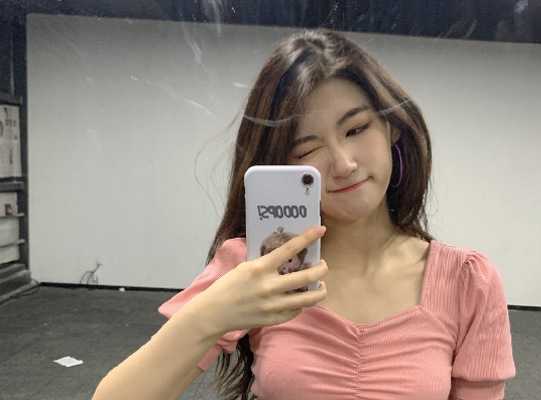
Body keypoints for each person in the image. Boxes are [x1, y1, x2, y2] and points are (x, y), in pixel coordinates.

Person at [92, 29, 515, 400]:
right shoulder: (254, 269)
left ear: (392, 127)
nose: (343, 164)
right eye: (306, 149)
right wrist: (213, 314)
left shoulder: (467, 282)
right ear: (279, 163)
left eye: (356, 129)